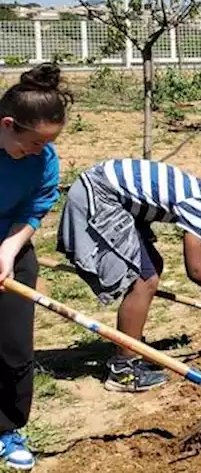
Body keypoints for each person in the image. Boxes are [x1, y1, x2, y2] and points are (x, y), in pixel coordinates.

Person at [57, 161, 201, 393]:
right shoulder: (197, 203)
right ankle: (123, 370)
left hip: (108, 192)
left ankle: (131, 342)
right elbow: (196, 270)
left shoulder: (192, 189)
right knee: (145, 280)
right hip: (99, 192)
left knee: (151, 266)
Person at [0, 64, 69, 470]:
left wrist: (8, 250)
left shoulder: (44, 160)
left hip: (12, 247)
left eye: (48, 144)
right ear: (7, 124)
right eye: (32, 144)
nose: (39, 152)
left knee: (13, 347)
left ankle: (7, 428)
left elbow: (36, 205)